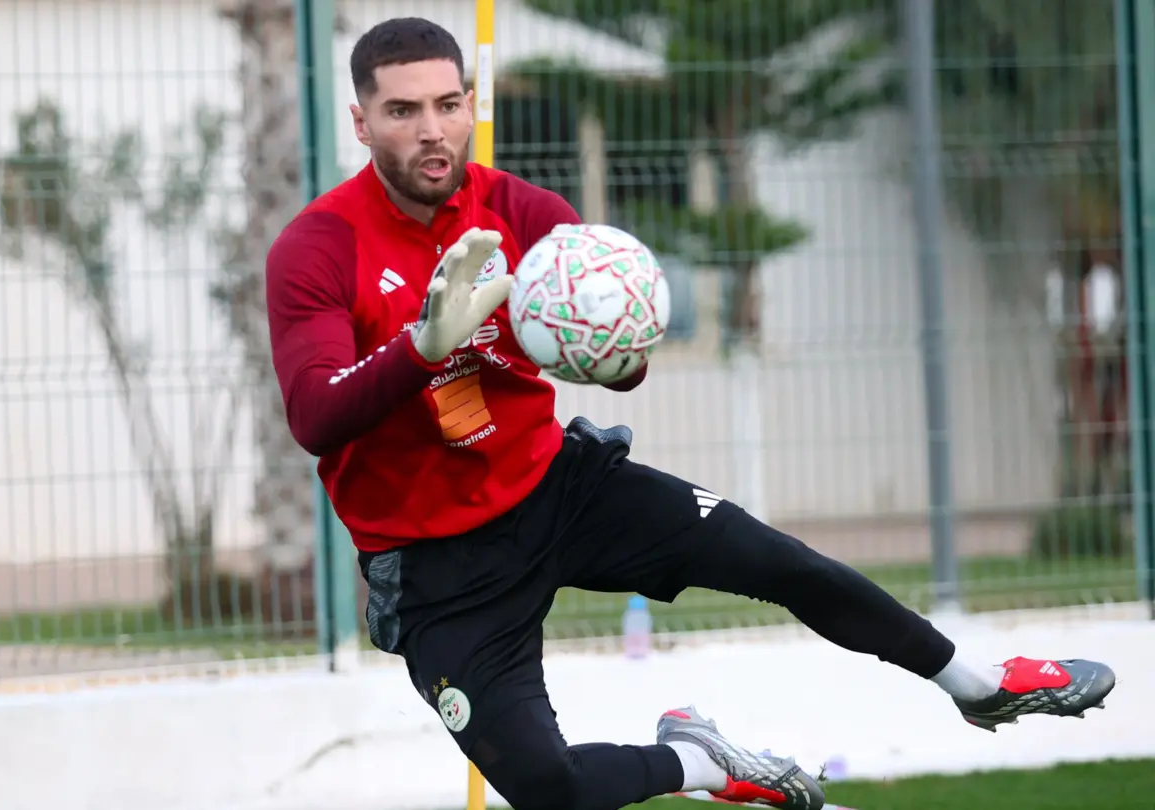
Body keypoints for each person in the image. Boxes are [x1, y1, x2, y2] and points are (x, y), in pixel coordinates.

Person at [265, 16, 1115, 810]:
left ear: (470, 105)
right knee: (545, 787)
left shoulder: (526, 216)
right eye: (403, 110)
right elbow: (314, 414)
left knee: (778, 559)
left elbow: (616, 370)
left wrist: (621, 340)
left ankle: (978, 682)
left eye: (449, 105)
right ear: (361, 120)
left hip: (556, 486)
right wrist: (421, 346)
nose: (431, 130)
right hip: (438, 566)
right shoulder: (318, 246)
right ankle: (699, 760)